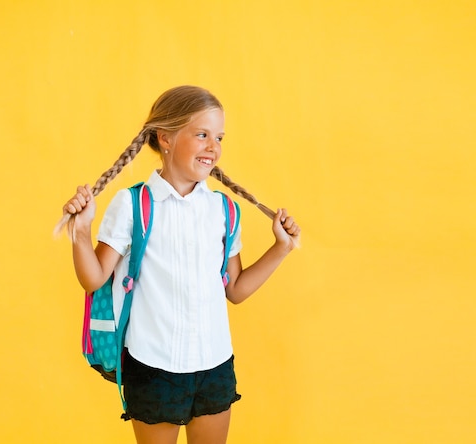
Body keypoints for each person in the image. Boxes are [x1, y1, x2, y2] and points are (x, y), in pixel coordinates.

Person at [60, 85, 301, 444]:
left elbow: (235, 290)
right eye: (202, 134)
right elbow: (94, 279)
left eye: (218, 137)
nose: (213, 147)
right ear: (166, 138)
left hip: (215, 366)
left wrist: (281, 248)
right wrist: (81, 231)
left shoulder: (223, 210)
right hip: (154, 368)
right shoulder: (132, 205)